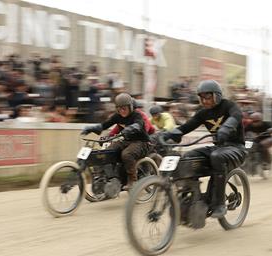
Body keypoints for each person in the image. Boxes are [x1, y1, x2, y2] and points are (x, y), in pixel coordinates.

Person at [162, 80, 247, 218]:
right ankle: (194, 196)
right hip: (218, 148)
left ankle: (220, 204)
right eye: (202, 97)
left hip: (236, 148)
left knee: (217, 157)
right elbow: (186, 127)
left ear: (217, 95)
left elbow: (236, 116)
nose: (205, 100)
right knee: (189, 156)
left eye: (208, 96)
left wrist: (226, 128)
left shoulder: (229, 105)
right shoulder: (202, 113)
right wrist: (168, 134)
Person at [81, 93, 150, 188]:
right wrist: (91, 128)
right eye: (119, 108)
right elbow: (104, 125)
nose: (122, 111)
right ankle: (110, 178)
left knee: (126, 154)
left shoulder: (137, 115)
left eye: (124, 108)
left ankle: (132, 180)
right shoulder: (117, 116)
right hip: (126, 141)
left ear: (130, 107)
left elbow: (138, 125)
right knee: (106, 153)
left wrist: (130, 128)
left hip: (141, 142)